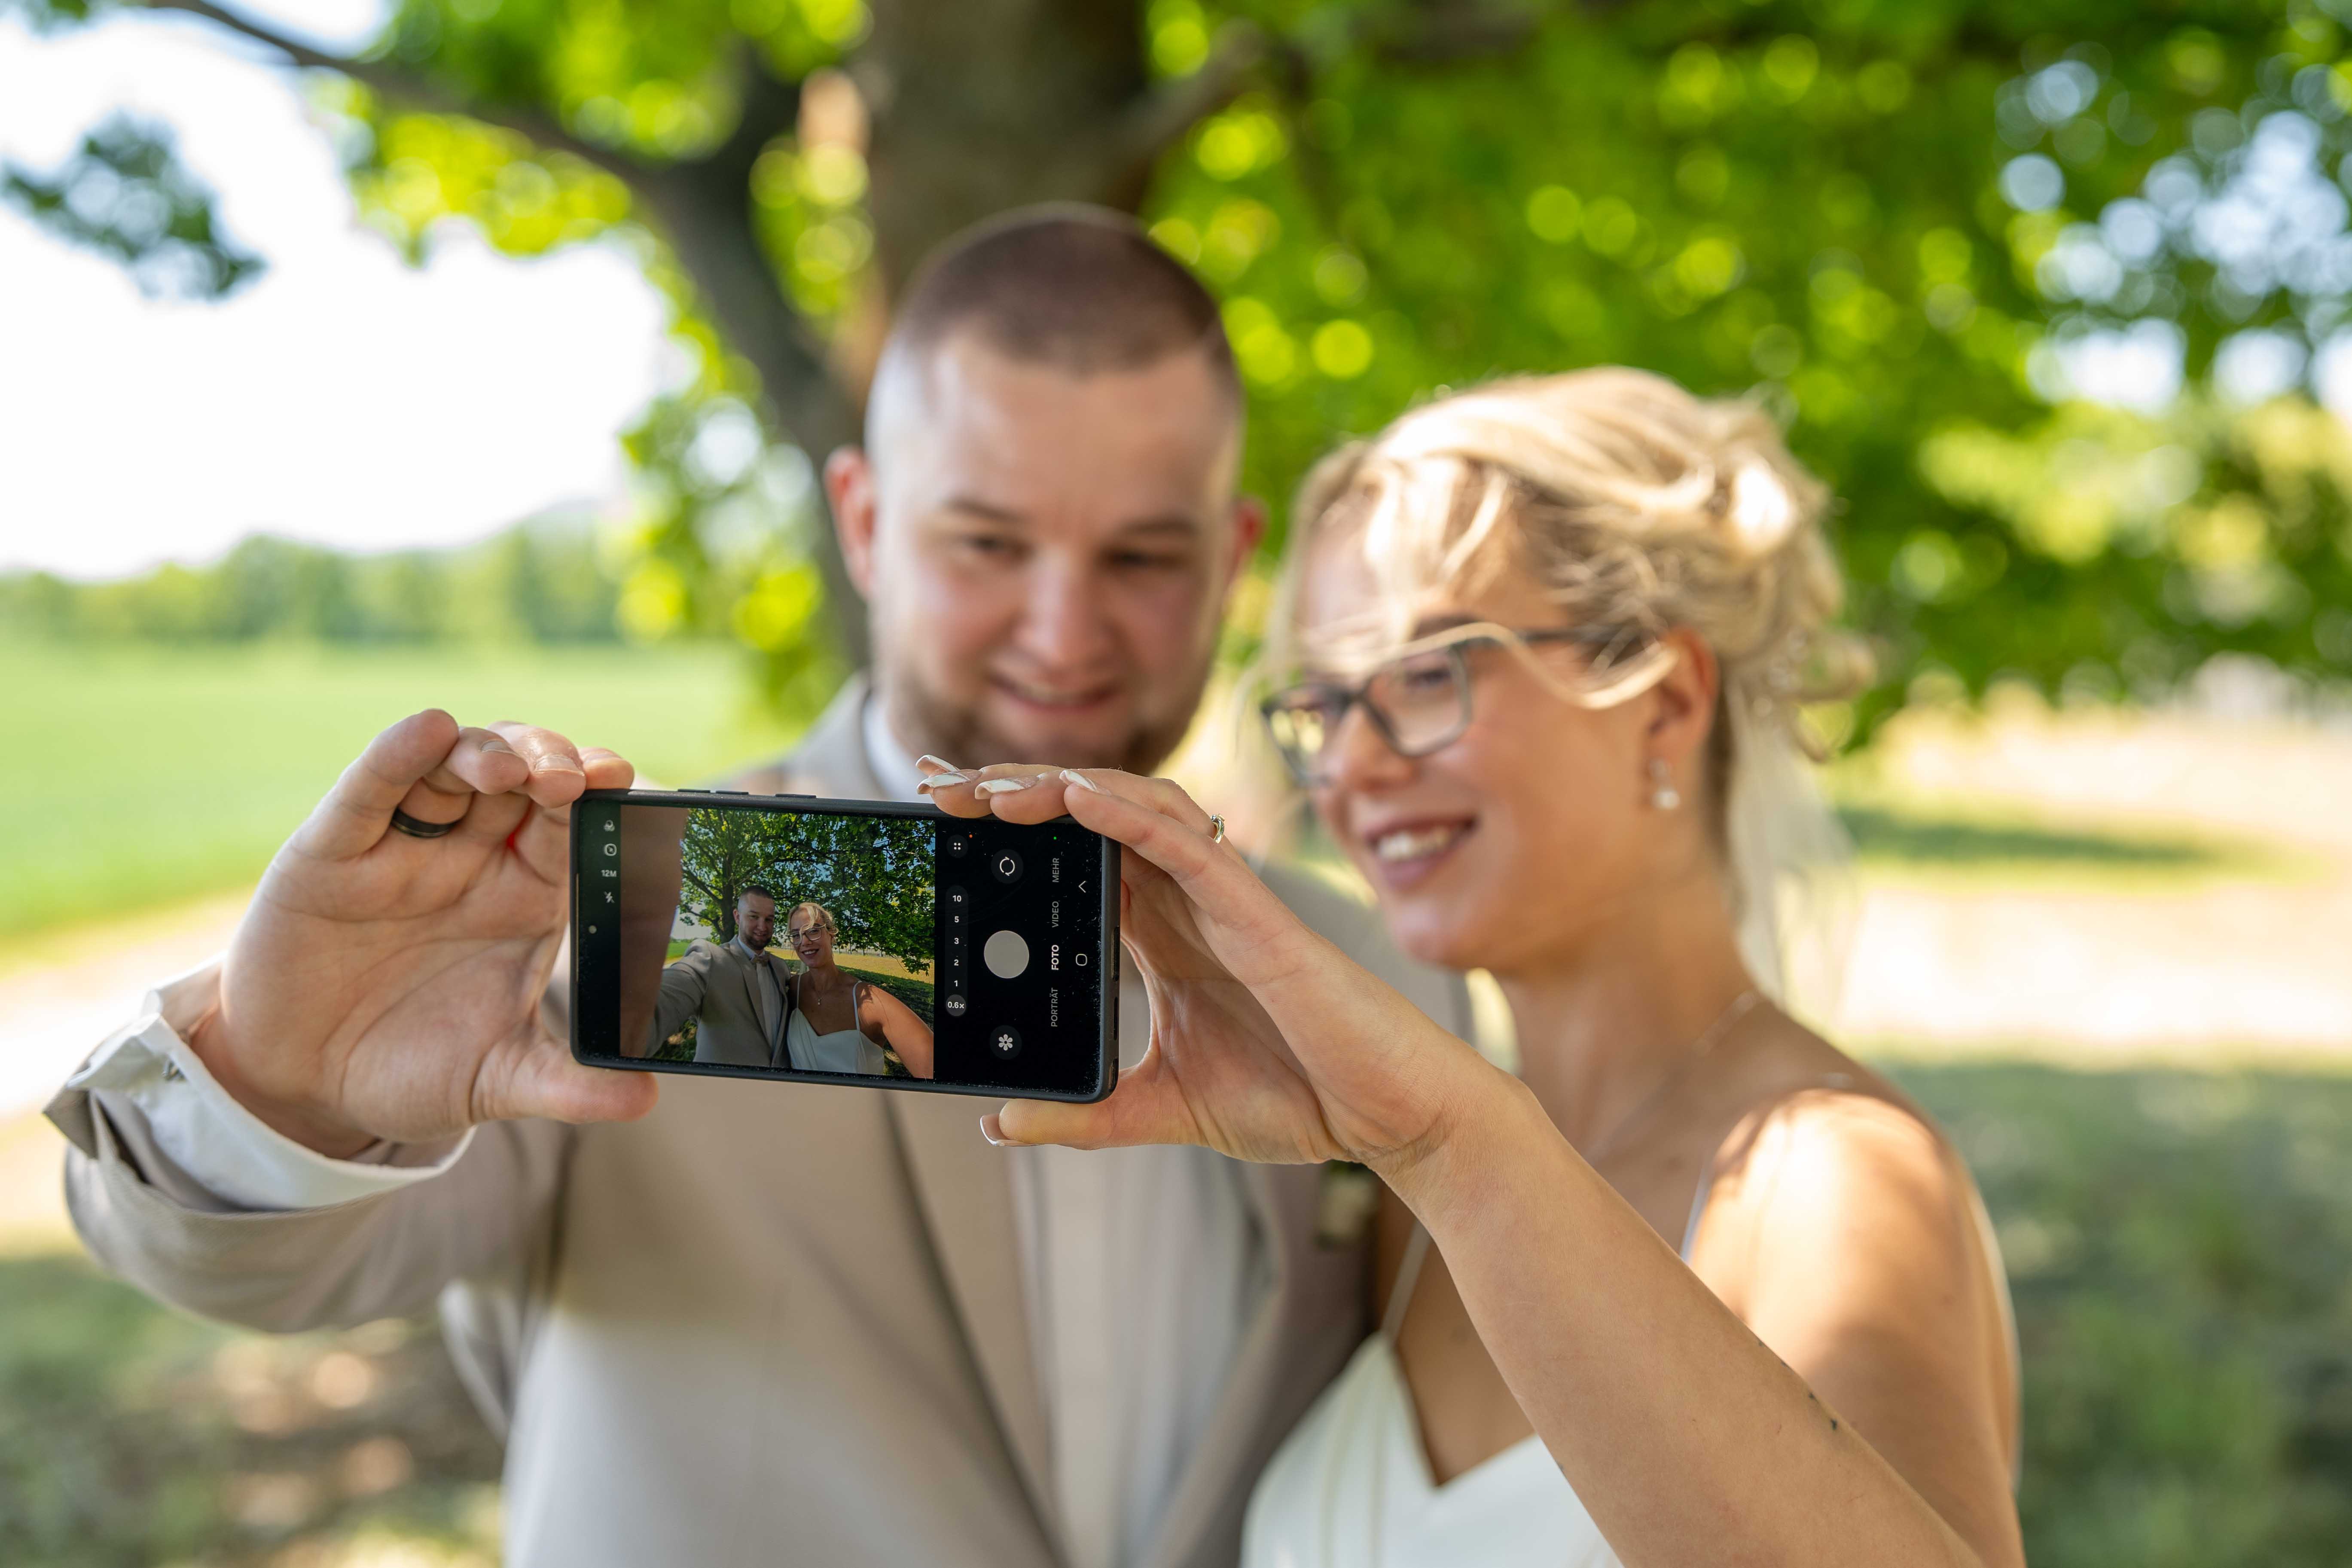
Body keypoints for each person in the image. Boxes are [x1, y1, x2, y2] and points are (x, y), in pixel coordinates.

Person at [43, 207, 1471, 1568]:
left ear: (1229, 560)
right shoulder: (594, 922)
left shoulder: (1371, 971)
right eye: (984, 543)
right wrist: (285, 1080)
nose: (1064, 630)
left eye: (1142, 557)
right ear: (861, 520)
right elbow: (264, 1277)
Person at [931, 370, 2024, 1568]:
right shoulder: (1408, 1204)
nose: (1350, 764)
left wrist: (1454, 1150)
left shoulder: (1833, 1177)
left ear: (1663, 703)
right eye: (1326, 701)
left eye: (1426, 674)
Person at [780, 899, 937, 1078]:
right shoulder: (793, 990)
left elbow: (936, 1073)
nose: (805, 942)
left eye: (814, 931)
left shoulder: (871, 1001)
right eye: (796, 935)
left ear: (831, 934)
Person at [649, 886, 800, 1066]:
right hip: (721, 1089)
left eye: (769, 919)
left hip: (778, 1087)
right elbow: (669, 997)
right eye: (754, 917)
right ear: (737, 917)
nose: (763, 926)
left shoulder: (780, 968)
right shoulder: (709, 958)